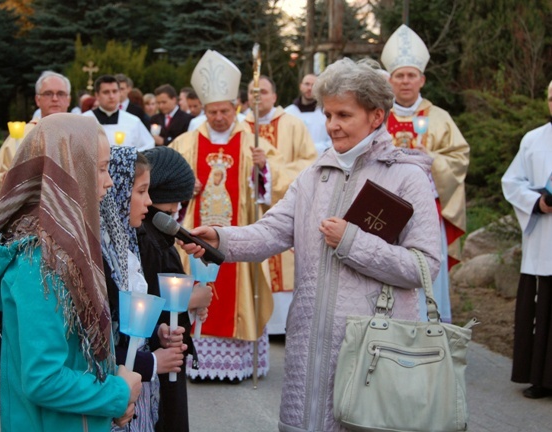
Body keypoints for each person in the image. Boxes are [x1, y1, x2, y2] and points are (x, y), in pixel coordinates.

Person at [180, 58, 441, 431]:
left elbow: (423, 266)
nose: (332, 125)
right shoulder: (316, 174)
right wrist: (222, 237)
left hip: (371, 346)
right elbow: (271, 232)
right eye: (328, 114)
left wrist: (351, 241)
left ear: (376, 115)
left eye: (344, 115)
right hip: (309, 341)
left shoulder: (406, 177)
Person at [0, 114, 142, 431]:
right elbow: (43, 379)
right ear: (70, 171)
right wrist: (117, 393)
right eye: (100, 169)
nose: (109, 181)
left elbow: (73, 353)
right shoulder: (39, 261)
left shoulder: (63, 247)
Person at [171, 50, 281, 382]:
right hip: (195, 234)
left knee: (237, 288)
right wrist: (184, 190)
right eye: (213, 111)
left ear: (236, 108)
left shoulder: (254, 142)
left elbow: (268, 194)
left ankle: (237, 365)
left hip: (238, 236)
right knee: (195, 284)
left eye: (225, 110)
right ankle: (193, 360)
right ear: (203, 110)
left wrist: (264, 169)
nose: (219, 117)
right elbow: (164, 192)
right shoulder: (186, 143)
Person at [381, 24, 470, 323]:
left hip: (428, 211)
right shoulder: (378, 117)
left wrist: (432, 161)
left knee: (428, 273)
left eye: (411, 76)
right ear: (390, 80)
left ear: (422, 79)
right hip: (385, 210)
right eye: (399, 76)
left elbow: (459, 157)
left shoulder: (439, 117)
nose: (405, 82)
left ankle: (432, 332)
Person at [100, 146, 187, 432]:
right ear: (120, 191)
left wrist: (156, 332)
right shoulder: (99, 253)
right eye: (141, 191)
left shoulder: (124, 243)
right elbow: (102, 339)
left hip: (138, 388)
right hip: (117, 388)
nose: (149, 202)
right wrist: (150, 362)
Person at [138, 146, 213, 432]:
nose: (176, 215)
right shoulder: (148, 239)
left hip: (166, 348)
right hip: (157, 354)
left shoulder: (156, 233)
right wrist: (189, 298)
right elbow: (144, 299)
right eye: (171, 209)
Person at [244, 75, 317, 336]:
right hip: (249, 211)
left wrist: (269, 170)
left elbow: (309, 166)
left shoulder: (293, 125)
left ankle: (283, 325)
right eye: (253, 92)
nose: (258, 97)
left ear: (275, 96)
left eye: (263, 92)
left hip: (286, 207)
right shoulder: (240, 127)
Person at [501, 79, 552, 399]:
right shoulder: (533, 140)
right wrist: (538, 202)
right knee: (542, 309)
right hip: (544, 240)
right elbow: (512, 181)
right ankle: (540, 378)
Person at [0, 70, 72, 200]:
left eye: (60, 94)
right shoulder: (21, 135)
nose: (55, 99)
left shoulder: (81, 134)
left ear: (68, 100)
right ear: (38, 99)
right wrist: (6, 180)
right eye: (48, 94)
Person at [84, 75, 154, 151]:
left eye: (115, 91)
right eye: (106, 92)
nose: (111, 96)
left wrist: (130, 156)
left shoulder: (133, 121)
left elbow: (149, 145)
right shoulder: (85, 120)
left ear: (119, 93)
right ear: (97, 95)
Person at [285, 73, 332, 154]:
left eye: (313, 85)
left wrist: (310, 148)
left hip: (319, 160)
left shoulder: (326, 113)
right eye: (307, 84)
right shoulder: (287, 113)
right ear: (300, 86)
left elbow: (332, 141)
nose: (310, 88)